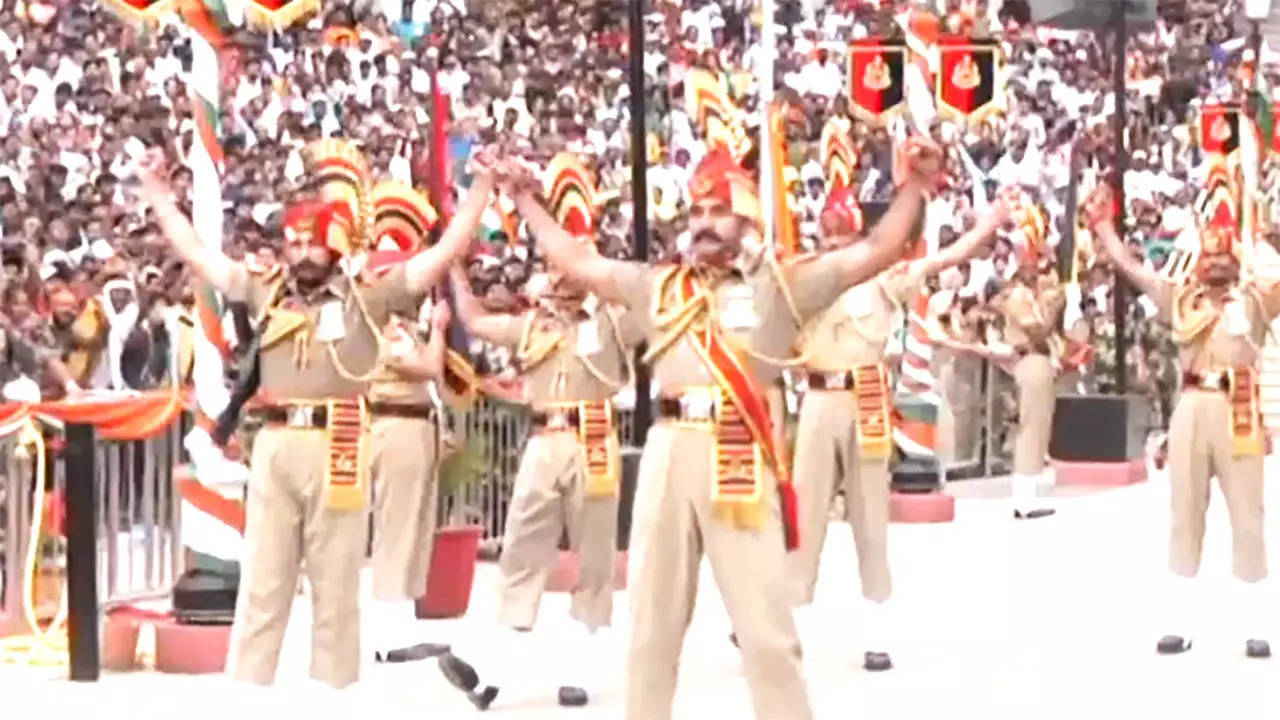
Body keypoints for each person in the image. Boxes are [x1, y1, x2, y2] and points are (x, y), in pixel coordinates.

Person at [502, 138, 943, 720]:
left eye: (717, 212)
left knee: (766, 631)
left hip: (739, 452)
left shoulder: (783, 283)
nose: (704, 224)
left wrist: (916, 185)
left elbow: (879, 249)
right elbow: (579, 262)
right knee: (652, 627)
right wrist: (526, 201)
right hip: (666, 451)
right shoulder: (657, 285)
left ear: (746, 218)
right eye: (696, 213)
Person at [133, 139, 496, 688]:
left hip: (341, 442)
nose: (301, 252)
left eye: (312, 243)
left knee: (335, 578)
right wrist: (158, 194)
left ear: (334, 245)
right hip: (275, 442)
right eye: (294, 242)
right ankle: (248, 691)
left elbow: (437, 259)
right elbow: (200, 257)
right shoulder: (266, 289)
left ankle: (334, 692)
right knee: (263, 579)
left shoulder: (366, 296)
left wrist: (480, 195)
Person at [438, 154, 637, 709]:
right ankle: (489, 672)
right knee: (522, 552)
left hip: (595, 437)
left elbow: (625, 294)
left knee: (593, 558)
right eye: (555, 270)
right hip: (543, 441)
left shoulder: (610, 322)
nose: (561, 276)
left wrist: (589, 268)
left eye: (570, 267)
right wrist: (452, 269)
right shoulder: (532, 327)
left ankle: (580, 667)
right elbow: (477, 322)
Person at [787, 188, 1010, 672]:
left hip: (865, 394)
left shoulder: (882, 280)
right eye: (827, 234)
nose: (833, 244)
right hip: (818, 398)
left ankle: (877, 631)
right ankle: (790, 624)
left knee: (870, 516)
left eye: (842, 235)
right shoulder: (802, 280)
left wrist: (987, 224)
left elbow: (942, 259)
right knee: (805, 516)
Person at [1084, 182, 1274, 659]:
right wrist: (1104, 228)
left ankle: (1256, 625)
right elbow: (1133, 269)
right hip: (1191, 405)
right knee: (1185, 515)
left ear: (1235, 264)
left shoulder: (1253, 301)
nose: (1214, 265)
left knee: (1248, 517)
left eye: (1223, 258)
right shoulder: (1181, 300)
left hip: (1240, 407)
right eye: (1207, 257)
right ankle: (1179, 622)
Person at [360, 179, 454, 662]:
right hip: (394, 425)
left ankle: (404, 620)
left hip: (417, 425)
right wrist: (438, 330)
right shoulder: (386, 326)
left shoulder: (403, 325)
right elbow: (426, 368)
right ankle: (387, 632)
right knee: (397, 525)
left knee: (416, 524)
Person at [993, 242, 1065, 519]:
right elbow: (1037, 331)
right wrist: (1054, 306)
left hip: (1041, 361)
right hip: (1030, 357)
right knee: (1031, 427)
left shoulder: (1033, 296)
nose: (1039, 270)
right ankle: (1024, 498)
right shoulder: (1017, 297)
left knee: (1040, 427)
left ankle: (1030, 492)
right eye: (1034, 264)